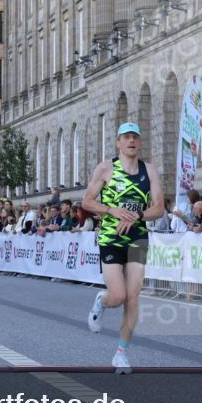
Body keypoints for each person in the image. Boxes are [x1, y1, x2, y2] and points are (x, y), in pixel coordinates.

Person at [82, 122, 164, 374]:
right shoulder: (106, 168)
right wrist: (111, 210)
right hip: (110, 238)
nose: (131, 141)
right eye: (126, 137)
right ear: (118, 142)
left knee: (133, 297)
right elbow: (87, 201)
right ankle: (101, 301)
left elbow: (159, 208)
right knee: (117, 296)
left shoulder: (149, 170)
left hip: (138, 237)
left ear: (140, 142)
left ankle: (121, 353)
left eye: (135, 137)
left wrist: (137, 215)